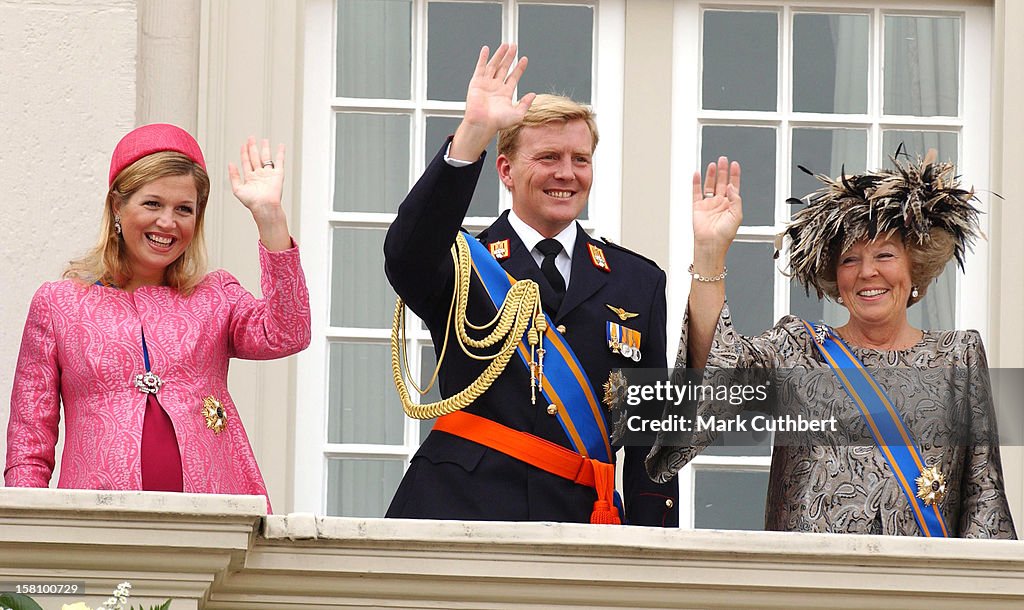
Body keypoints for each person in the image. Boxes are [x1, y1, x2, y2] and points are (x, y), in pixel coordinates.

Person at [641, 150, 1015, 537]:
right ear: (835, 276)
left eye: (884, 255)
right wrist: (709, 255)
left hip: (918, 589)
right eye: (850, 260)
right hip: (809, 585)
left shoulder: (958, 357)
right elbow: (715, 375)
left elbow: (983, 499)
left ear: (915, 265)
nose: (867, 272)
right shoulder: (799, 349)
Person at [384, 44, 678, 526]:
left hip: (582, 522)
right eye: (548, 157)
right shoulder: (461, 264)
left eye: (580, 159)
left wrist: (653, 555)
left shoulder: (637, 282)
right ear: (506, 170)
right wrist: (472, 134)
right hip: (465, 512)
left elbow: (651, 440)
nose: (567, 173)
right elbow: (405, 253)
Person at [5, 123, 310, 511]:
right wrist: (29, 533)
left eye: (184, 209)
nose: (168, 223)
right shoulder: (59, 304)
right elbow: (29, 443)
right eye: (152, 204)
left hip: (214, 522)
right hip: (96, 526)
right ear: (117, 206)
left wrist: (270, 218)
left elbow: (289, 332)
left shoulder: (215, 295)